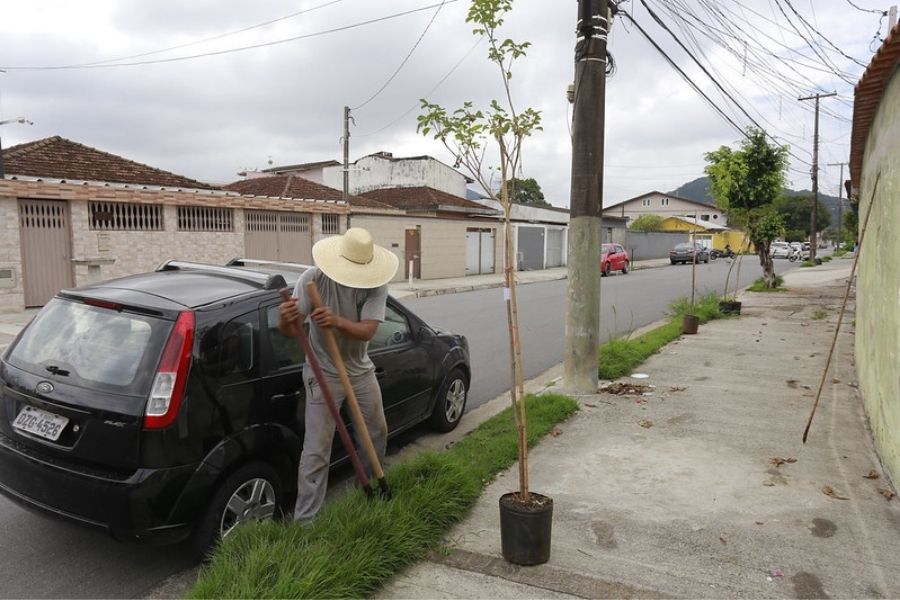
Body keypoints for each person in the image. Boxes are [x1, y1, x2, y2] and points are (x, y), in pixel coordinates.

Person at [278, 227, 399, 522]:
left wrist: (337, 321)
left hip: (360, 370)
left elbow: (369, 330)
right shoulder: (313, 281)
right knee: (317, 449)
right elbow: (291, 332)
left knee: (376, 432)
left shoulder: (375, 285)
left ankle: (368, 490)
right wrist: (286, 318)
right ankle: (306, 521)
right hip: (323, 371)